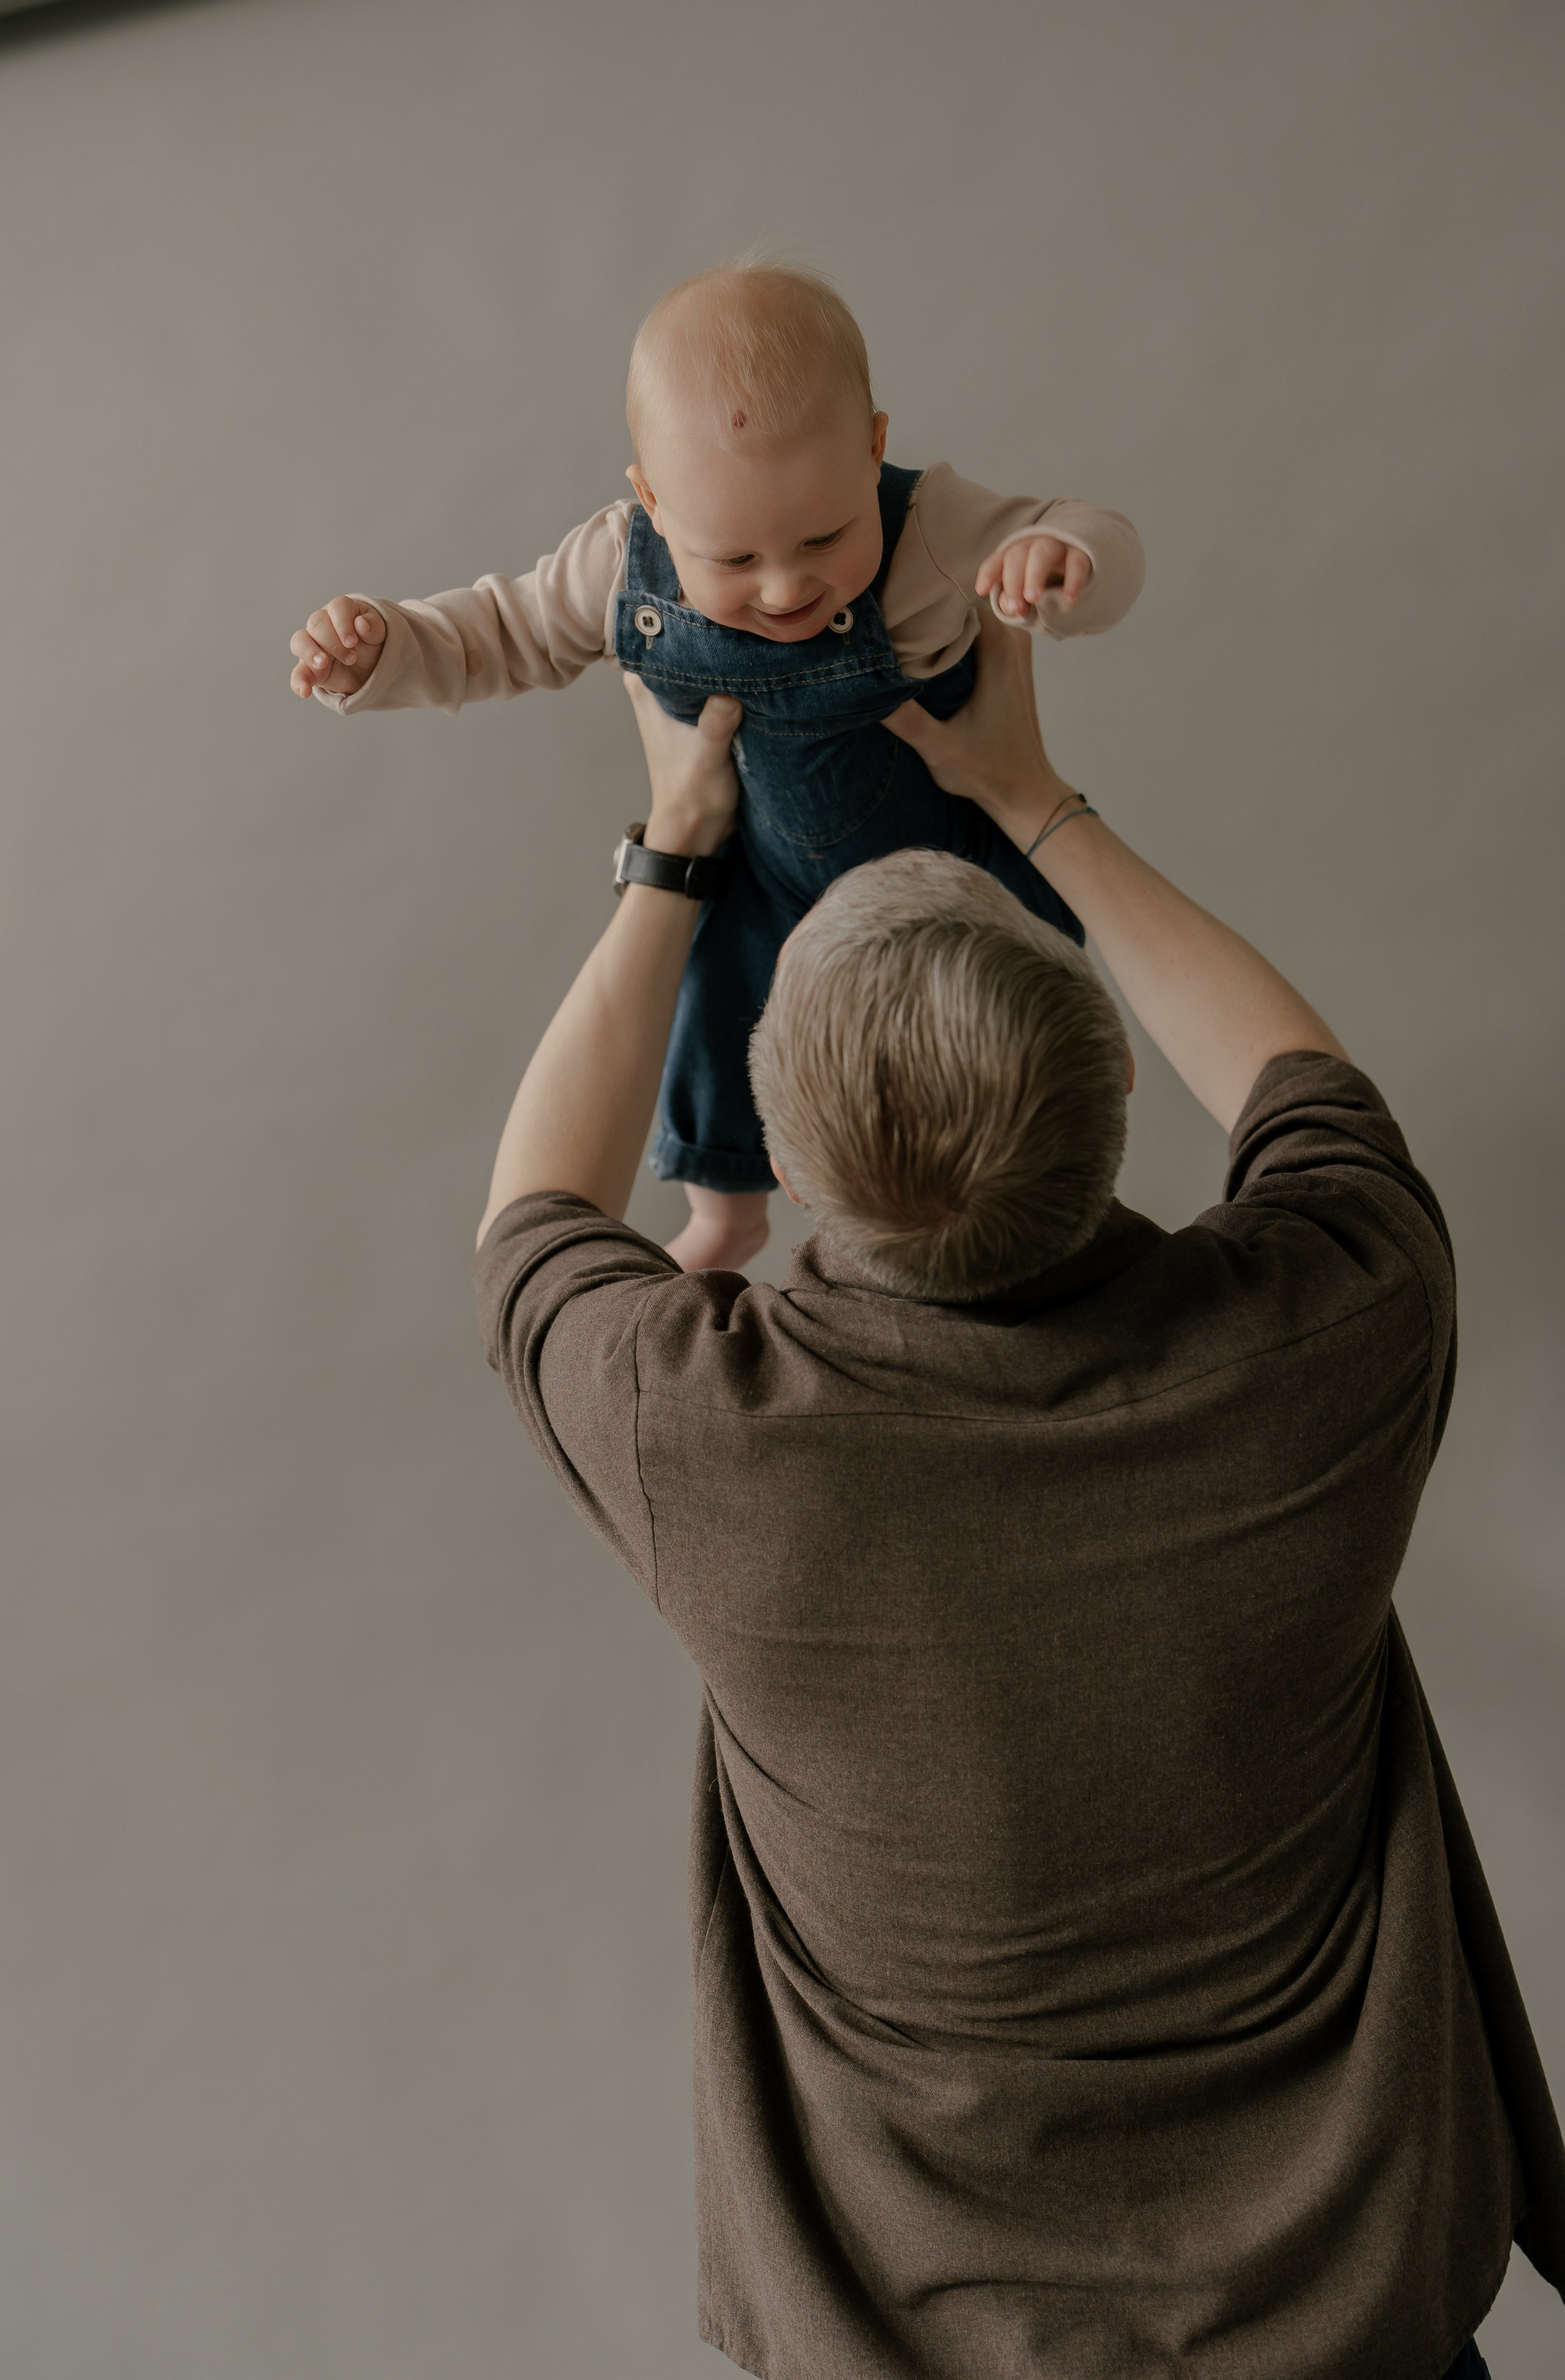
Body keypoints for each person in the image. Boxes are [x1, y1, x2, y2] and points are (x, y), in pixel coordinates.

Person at [472, 612, 1564, 2380]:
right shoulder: (1333, 1335)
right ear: (1118, 1085)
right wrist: (1037, 806)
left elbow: (535, 1222)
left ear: (786, 1149)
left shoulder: (713, 1436)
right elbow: (1311, 1096)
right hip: (1356, 2336)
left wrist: (677, 840)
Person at [289, 259, 1144, 1270]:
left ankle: (1085, 1126)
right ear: (650, 498)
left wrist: (1061, 560)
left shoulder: (934, 530)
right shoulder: (621, 565)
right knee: (714, 1011)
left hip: (954, 851)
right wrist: (386, 648)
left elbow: (1096, 530)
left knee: (1026, 1006)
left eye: (826, 536)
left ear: (875, 450)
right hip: (766, 874)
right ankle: (727, 1216)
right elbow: (500, 632)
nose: (785, 587)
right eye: (733, 560)